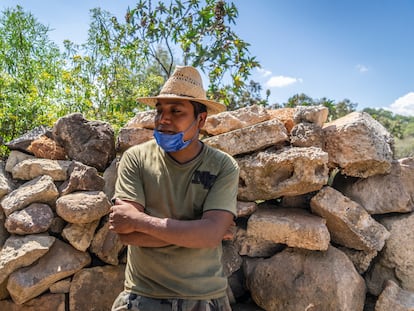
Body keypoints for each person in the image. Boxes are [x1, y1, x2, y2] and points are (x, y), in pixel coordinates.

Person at [109, 66, 240, 311]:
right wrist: (198, 232)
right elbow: (125, 232)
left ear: (200, 119)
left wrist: (140, 220)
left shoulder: (223, 166)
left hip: (205, 299)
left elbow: (209, 235)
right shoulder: (136, 159)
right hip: (141, 298)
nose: (163, 119)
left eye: (176, 111)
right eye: (159, 111)